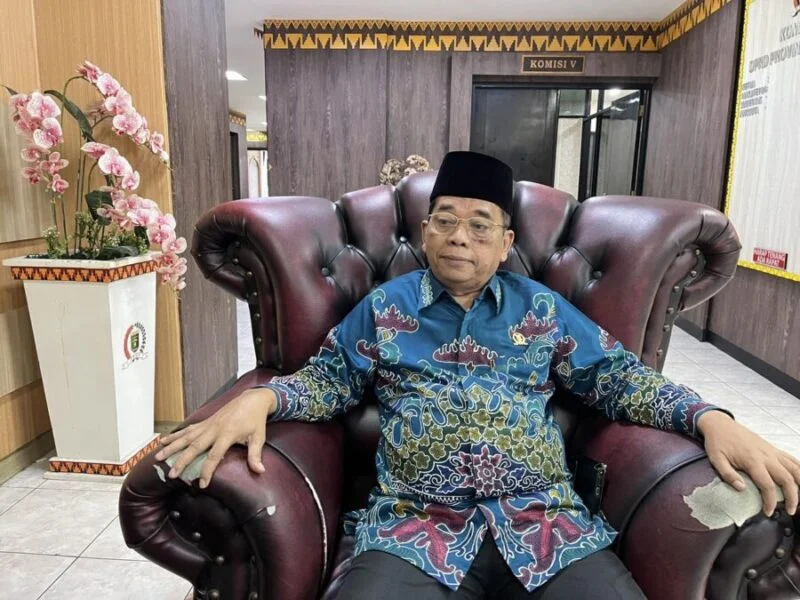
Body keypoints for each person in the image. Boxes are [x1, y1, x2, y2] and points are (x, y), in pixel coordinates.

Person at [155, 151, 800, 599]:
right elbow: (328, 380)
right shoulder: (385, 309)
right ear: (426, 231)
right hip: (414, 527)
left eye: (479, 224)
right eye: (445, 220)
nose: (459, 236)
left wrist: (711, 420)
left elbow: (623, 380)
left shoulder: (542, 311)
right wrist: (262, 400)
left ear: (505, 241)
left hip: (546, 525)